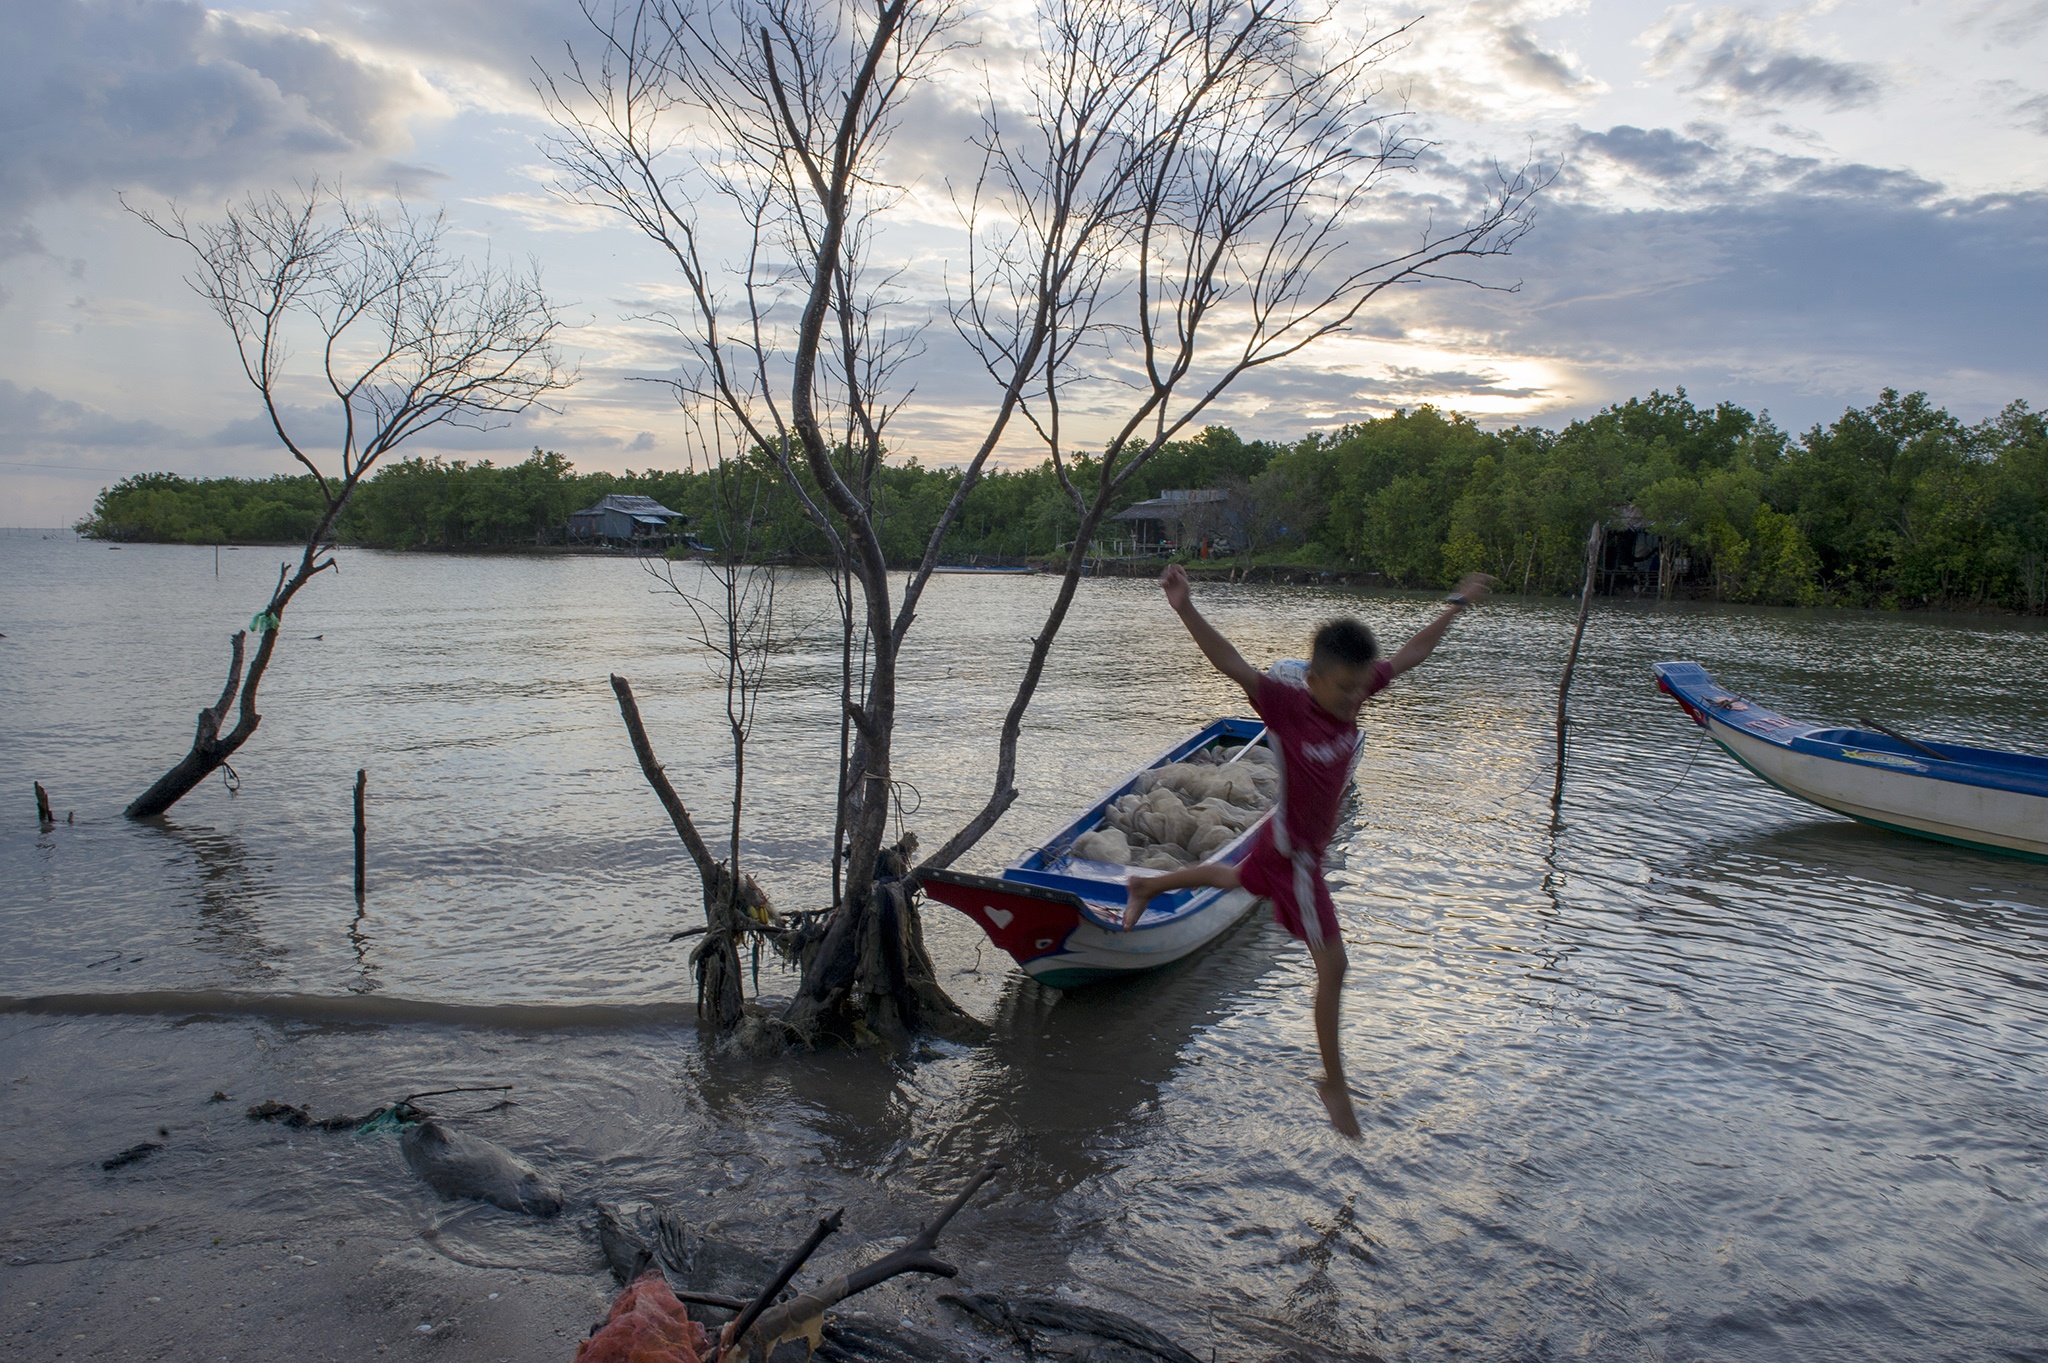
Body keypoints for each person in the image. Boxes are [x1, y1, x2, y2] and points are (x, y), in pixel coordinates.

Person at [1124, 563, 1493, 1137]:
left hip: (1285, 847)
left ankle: (1147, 885)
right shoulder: (1287, 705)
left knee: (1235, 880)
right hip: (1297, 856)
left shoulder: (1357, 686)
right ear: (1314, 680)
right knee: (1335, 966)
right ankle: (1333, 1081)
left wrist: (1456, 601)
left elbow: (1415, 649)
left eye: (1360, 689)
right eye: (1343, 690)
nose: (1355, 702)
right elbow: (1231, 663)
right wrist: (1185, 608)